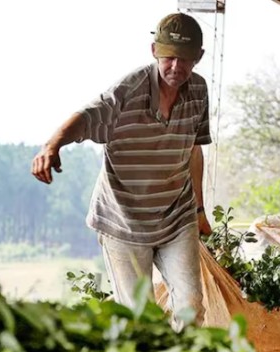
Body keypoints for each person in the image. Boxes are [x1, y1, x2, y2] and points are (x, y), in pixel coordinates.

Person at [31, 12, 212, 330]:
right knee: (140, 318)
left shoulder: (198, 91)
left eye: (185, 59)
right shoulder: (130, 91)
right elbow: (88, 116)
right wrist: (52, 146)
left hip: (176, 216)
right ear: (154, 50)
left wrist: (198, 209)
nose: (176, 67)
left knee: (191, 306)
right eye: (169, 57)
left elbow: (194, 149)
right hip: (123, 222)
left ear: (198, 57)